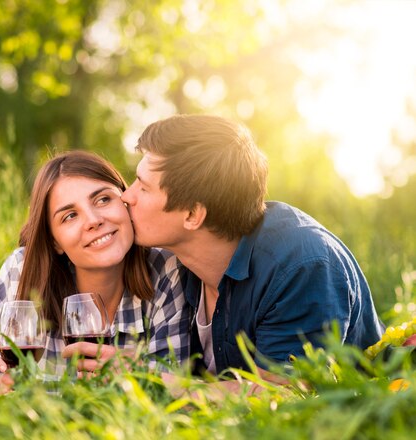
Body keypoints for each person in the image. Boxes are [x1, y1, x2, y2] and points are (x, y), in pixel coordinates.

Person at [120, 114, 384, 385]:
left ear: (192, 214)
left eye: (143, 187)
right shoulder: (174, 265)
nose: (127, 196)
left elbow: (279, 395)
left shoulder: (300, 264)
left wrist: (151, 380)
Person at [0, 150, 191, 398]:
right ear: (54, 241)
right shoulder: (22, 270)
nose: (93, 220)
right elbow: (1, 385)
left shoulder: (166, 270)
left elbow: (174, 398)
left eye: (103, 199)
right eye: (70, 216)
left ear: (126, 201)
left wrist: (139, 374)